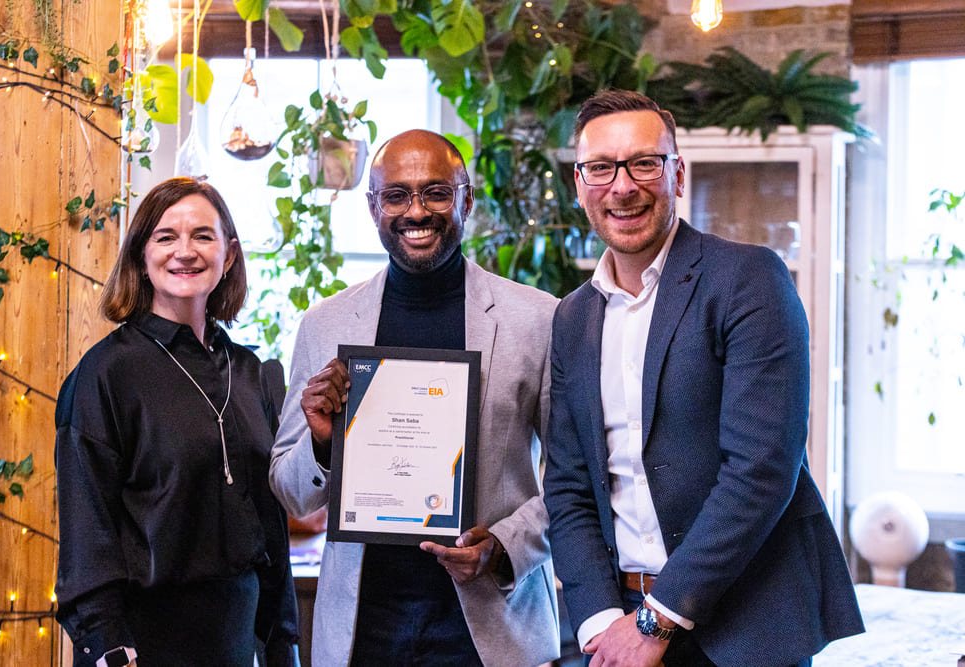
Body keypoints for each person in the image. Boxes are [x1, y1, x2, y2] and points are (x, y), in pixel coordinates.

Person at [542, 89, 864, 667]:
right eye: (601, 168)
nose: (623, 186)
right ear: (579, 184)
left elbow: (761, 469)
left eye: (644, 163)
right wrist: (599, 623)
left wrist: (655, 620)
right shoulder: (571, 318)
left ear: (677, 175)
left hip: (743, 628)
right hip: (615, 626)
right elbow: (567, 485)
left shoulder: (748, 279)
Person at [269, 129, 560, 666]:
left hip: (491, 632)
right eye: (397, 195)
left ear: (466, 199)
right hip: (363, 633)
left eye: (436, 193)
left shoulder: (538, 319)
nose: (416, 211)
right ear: (373, 206)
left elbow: (576, 480)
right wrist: (322, 444)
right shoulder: (326, 324)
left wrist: (503, 546)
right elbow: (292, 493)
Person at [55, 177, 299, 667]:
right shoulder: (105, 373)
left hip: (235, 642)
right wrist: (110, 649)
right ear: (142, 257)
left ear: (228, 256)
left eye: (202, 236)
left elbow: (272, 530)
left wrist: (282, 640)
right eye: (166, 237)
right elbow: (88, 533)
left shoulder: (251, 373)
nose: (184, 252)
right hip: (140, 644)